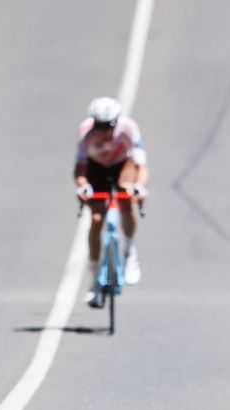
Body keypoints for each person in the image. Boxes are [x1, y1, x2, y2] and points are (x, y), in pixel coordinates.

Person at [74, 97, 149, 307]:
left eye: (108, 127)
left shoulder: (129, 129)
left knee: (127, 200)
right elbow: (80, 169)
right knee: (97, 219)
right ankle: (95, 279)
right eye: (99, 126)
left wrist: (140, 188)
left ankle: (130, 251)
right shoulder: (86, 132)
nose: (103, 131)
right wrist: (82, 186)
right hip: (96, 168)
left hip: (121, 166)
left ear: (117, 122)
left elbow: (141, 166)